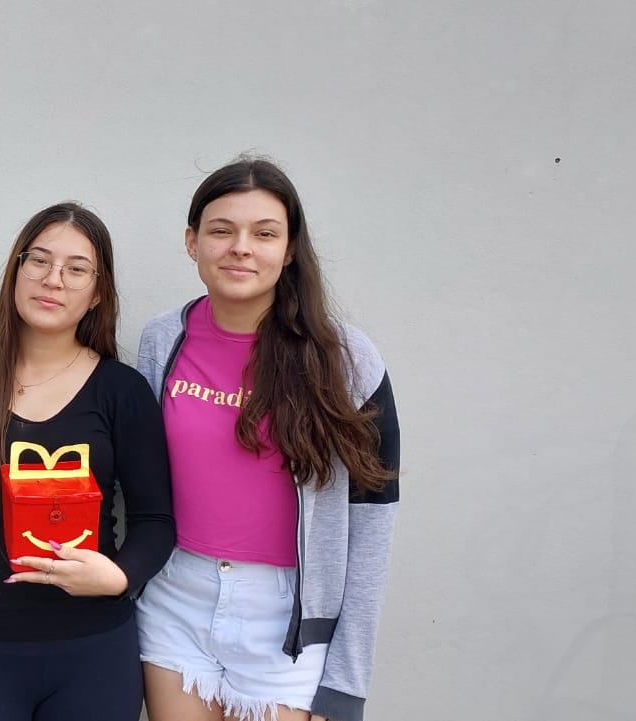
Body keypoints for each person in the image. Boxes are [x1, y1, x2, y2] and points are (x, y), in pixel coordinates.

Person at [134, 157, 400, 721]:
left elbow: (373, 520)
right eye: (222, 230)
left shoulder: (346, 359)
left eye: (264, 233)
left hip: (289, 622)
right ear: (192, 241)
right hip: (175, 597)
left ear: (290, 248)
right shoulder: (161, 340)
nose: (241, 248)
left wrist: (346, 681)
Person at [0, 202, 175, 721]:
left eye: (77, 269)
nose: (54, 280)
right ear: (16, 269)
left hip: (94, 647)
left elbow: (156, 521)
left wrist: (118, 577)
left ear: (98, 292)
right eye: (40, 261)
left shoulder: (122, 390)